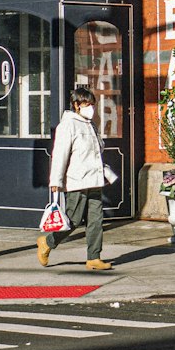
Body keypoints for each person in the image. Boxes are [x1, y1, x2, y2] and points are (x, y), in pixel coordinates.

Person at [38, 86, 113, 272]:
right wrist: (55, 180)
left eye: (92, 104)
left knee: (96, 220)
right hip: (77, 180)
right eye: (87, 104)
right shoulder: (68, 125)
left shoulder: (91, 125)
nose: (91, 108)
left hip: (94, 180)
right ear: (76, 105)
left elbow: (97, 152)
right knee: (73, 219)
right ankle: (47, 242)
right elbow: (60, 154)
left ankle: (94, 257)